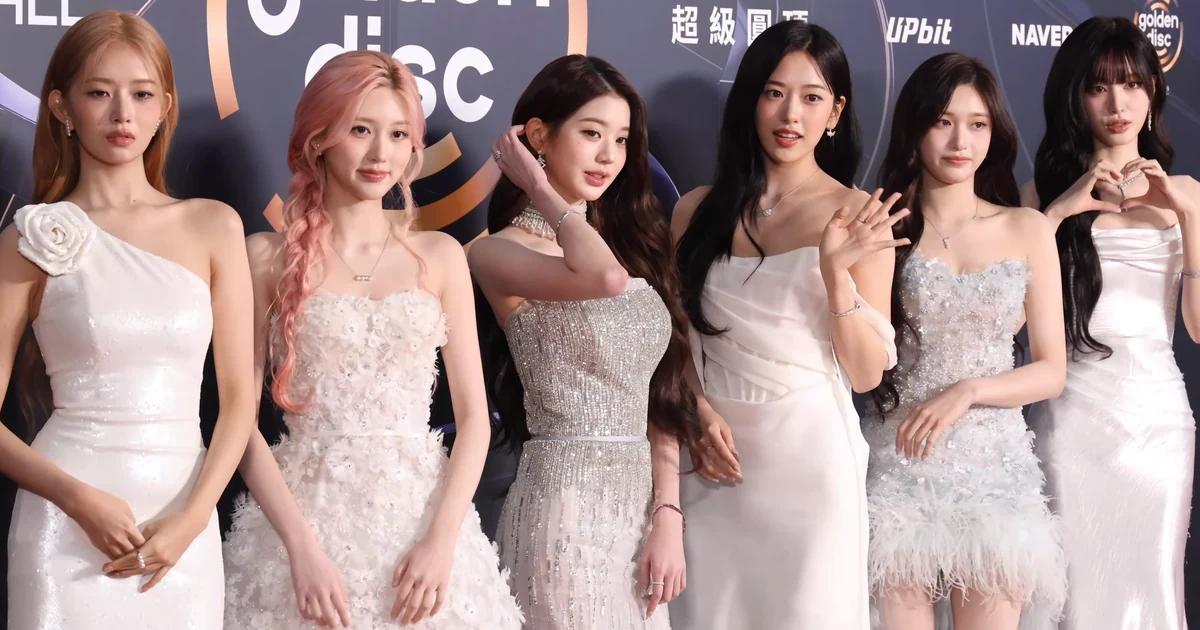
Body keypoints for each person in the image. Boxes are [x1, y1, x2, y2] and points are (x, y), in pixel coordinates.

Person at [220, 51, 523, 629]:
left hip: (423, 523)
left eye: (399, 134)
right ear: (319, 138)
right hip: (302, 523)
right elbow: (240, 423)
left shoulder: (439, 256)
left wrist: (441, 542)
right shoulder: (265, 258)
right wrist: (299, 550)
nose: (381, 153)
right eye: (361, 129)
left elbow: (474, 422)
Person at [3, 10, 257, 628]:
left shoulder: (214, 225)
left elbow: (238, 402)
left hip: (183, 528)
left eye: (142, 95)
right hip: (64, 530)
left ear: (165, 106)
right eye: (99, 93)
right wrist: (76, 499)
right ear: (62, 107)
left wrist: (193, 519)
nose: (123, 115)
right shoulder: (28, 240)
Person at [670, 21, 905, 630]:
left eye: (811, 97)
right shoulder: (696, 210)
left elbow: (865, 373)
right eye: (774, 92)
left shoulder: (860, 215)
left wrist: (835, 273)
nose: (790, 114)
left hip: (809, 462)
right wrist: (696, 412)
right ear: (751, 99)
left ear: (836, 111)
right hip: (711, 458)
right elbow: (673, 337)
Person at [469, 54, 701, 629]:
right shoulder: (497, 251)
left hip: (640, 519)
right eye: (592, 133)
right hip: (563, 514)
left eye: (621, 140)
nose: (609, 156)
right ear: (538, 137)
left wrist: (667, 515)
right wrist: (537, 186)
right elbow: (604, 280)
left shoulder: (627, 247)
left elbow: (659, 392)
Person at [864, 53, 1067, 629]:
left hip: (994, 470)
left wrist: (970, 390)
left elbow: (1051, 370)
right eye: (943, 121)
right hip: (901, 459)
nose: (961, 141)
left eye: (978, 124)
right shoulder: (882, 228)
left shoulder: (1026, 228)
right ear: (915, 129)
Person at [1023, 16, 1199, 630]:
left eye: (1131, 84)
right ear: (1075, 98)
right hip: (1071, 415)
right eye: (1098, 87)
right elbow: (1012, 317)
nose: (1117, 104)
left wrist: (1187, 219)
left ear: (1153, 91)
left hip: (1158, 421)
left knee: (1152, 585)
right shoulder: (1039, 194)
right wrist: (1058, 212)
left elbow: (1197, 328)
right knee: (1074, 593)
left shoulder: (1189, 194)